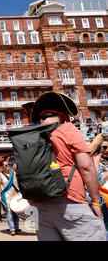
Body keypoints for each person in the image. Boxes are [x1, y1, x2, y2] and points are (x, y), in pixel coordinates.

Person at [30, 91, 105, 241]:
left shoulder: (29, 135)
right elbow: (86, 167)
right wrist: (96, 201)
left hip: (39, 206)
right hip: (70, 200)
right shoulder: (67, 129)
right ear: (63, 115)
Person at [0, 159, 21, 236]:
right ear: (2, 167)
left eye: (8, 164)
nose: (8, 166)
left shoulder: (13, 173)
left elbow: (19, 182)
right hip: (6, 195)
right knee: (9, 212)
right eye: (6, 165)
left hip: (15, 194)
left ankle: (16, 228)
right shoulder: (0, 175)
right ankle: (12, 229)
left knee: (16, 211)